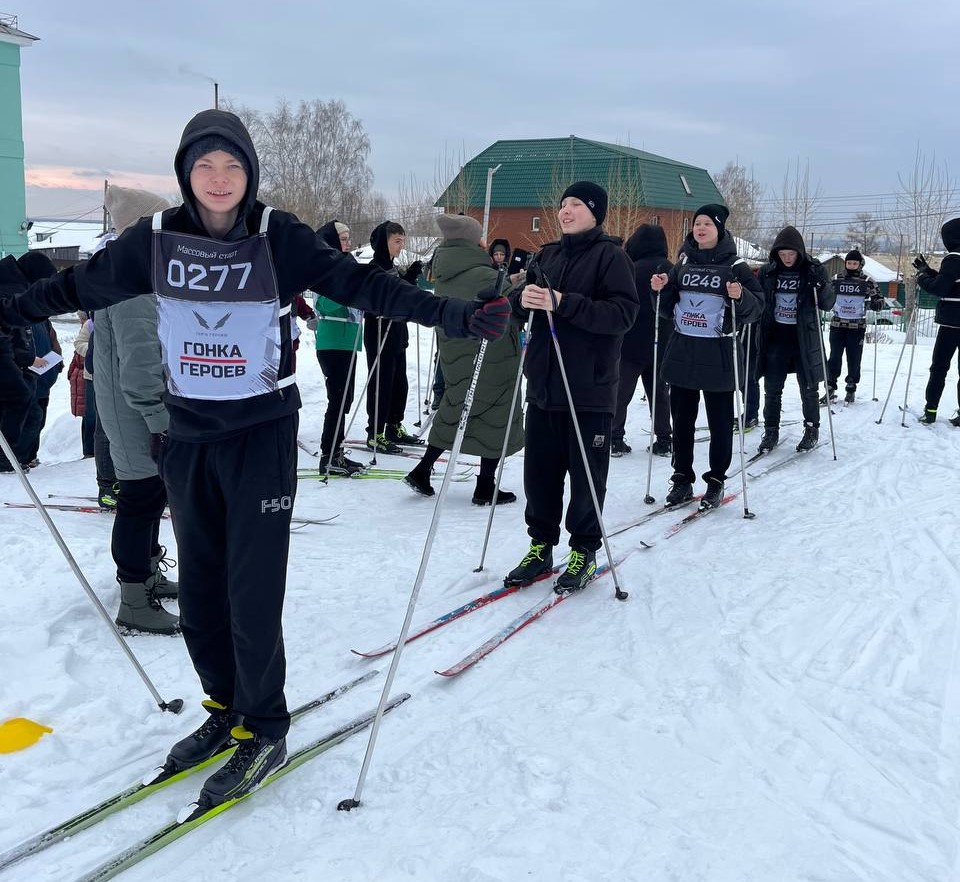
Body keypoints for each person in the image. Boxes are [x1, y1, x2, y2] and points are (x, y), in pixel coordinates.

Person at [0, 108, 510, 810]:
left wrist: (454, 315)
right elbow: (78, 286)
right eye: (204, 166)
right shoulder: (156, 240)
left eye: (232, 165)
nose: (218, 178)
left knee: (251, 589)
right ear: (185, 173)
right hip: (189, 436)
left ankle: (265, 726)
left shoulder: (278, 236)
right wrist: (9, 311)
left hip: (261, 434)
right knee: (203, 589)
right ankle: (224, 706)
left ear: (250, 173)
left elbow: (363, 286)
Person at [503, 181, 639, 593]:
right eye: (563, 204)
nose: (566, 210)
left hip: (588, 389)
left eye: (576, 204)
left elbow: (622, 315)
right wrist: (520, 300)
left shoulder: (612, 257)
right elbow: (522, 301)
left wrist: (563, 303)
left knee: (586, 479)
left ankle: (584, 549)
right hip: (544, 386)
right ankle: (540, 546)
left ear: (595, 212)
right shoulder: (547, 255)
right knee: (539, 476)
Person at [93, 185, 180, 636]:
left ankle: (147, 573)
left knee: (152, 494)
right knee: (139, 499)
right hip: (134, 412)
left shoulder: (138, 270)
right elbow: (140, 360)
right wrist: (159, 421)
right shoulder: (133, 280)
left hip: (138, 408)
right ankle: (134, 599)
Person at [404, 213, 523, 502]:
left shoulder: (446, 271)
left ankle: (422, 469)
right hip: (491, 354)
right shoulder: (485, 275)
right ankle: (485, 485)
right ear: (473, 240)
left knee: (455, 409)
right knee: (497, 414)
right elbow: (511, 306)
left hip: (455, 353)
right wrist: (518, 284)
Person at [651, 204, 763, 509]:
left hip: (718, 355)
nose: (700, 229)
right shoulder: (682, 263)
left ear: (719, 229)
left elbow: (756, 309)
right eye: (697, 223)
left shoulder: (736, 266)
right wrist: (659, 289)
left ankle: (715, 481)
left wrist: (741, 296)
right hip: (684, 353)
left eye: (707, 224)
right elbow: (665, 310)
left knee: (719, 424)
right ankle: (681, 478)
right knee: (682, 422)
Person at [755, 226, 833, 453]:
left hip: (804, 337)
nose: (787, 258)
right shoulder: (769, 271)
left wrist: (822, 286)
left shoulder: (813, 270)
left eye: (791, 254)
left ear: (799, 252)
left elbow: (828, 304)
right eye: (783, 254)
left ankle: (811, 429)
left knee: (809, 387)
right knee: (772, 387)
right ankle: (771, 430)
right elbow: (758, 299)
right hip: (776, 336)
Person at [614, 223, 674, 458]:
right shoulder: (670, 269)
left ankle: (615, 437)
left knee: (620, 393)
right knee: (659, 394)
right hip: (662, 342)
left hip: (630, 342)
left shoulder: (630, 268)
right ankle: (664, 439)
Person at [363, 221, 423, 453]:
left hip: (397, 333)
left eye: (402, 241)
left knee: (399, 384)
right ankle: (375, 431)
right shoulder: (374, 269)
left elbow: (401, 292)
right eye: (397, 241)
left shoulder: (392, 268)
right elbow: (377, 298)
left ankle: (393, 425)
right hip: (379, 333)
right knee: (382, 384)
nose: (401, 246)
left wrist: (410, 276)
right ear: (383, 243)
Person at [312, 219, 366, 474]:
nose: (347, 243)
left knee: (345, 400)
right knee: (337, 399)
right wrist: (349, 289)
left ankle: (337, 450)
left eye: (348, 239)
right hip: (333, 341)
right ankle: (329, 455)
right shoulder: (325, 266)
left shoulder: (346, 264)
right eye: (343, 239)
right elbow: (323, 303)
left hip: (348, 340)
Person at [13, 252, 63, 469]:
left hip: (44, 375)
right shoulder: (14, 306)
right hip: (26, 374)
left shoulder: (38, 311)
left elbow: (50, 334)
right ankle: (17, 459)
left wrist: (57, 357)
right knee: (30, 418)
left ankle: (30, 456)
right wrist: (28, 361)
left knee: (38, 419)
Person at [915, 218, 960, 425]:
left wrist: (921, 277)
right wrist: (929, 271)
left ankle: (930, 410)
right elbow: (951, 283)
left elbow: (940, 288)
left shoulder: (953, 258)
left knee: (939, 368)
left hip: (951, 323)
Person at [823, 248, 882, 404]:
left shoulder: (867, 281)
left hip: (857, 327)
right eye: (849, 263)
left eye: (854, 263)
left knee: (854, 358)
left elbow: (879, 298)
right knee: (834, 357)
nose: (851, 266)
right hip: (837, 324)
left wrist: (876, 304)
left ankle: (851, 387)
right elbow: (826, 295)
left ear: (860, 264)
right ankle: (830, 386)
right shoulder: (836, 279)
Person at [0, 257, 34, 473]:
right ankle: (4, 457)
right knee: (19, 396)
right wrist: (22, 358)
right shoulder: (12, 289)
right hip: (4, 356)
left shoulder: (9, 282)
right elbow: (14, 331)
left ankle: (6, 456)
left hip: (8, 355)